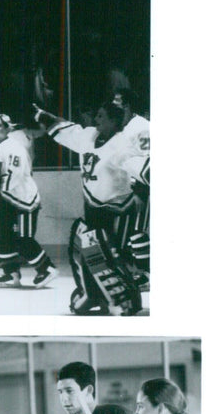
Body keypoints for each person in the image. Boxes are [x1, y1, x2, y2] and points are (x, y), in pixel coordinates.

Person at [35, 102, 141, 315]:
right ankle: (94, 295)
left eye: (102, 116)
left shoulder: (122, 145)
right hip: (93, 208)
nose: (96, 120)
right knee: (89, 254)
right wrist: (40, 115)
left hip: (118, 209)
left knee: (115, 256)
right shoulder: (90, 136)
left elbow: (138, 167)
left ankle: (125, 301)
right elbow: (67, 131)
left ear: (114, 121)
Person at [0, 113, 58, 288]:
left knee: (23, 238)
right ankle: (11, 273)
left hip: (24, 200)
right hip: (6, 198)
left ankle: (46, 269)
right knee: (2, 235)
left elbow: (15, 174)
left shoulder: (15, 147)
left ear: (9, 128)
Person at [113, 88, 150, 284]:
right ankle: (135, 271)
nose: (113, 104)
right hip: (127, 188)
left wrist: (142, 187)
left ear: (127, 105)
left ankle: (144, 275)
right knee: (127, 233)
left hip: (142, 187)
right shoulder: (123, 128)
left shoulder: (141, 127)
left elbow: (148, 160)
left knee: (137, 231)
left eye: (117, 101)